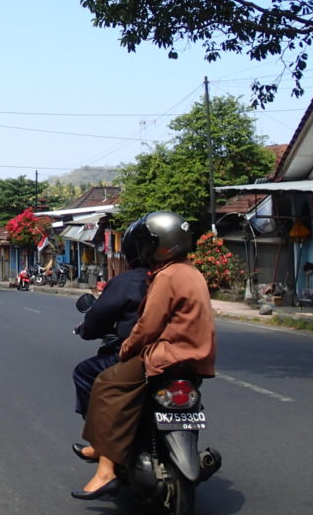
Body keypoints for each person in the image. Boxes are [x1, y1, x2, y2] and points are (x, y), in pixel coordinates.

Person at [71, 211, 216, 500]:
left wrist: (126, 349)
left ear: (162, 244)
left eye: (148, 243)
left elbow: (147, 326)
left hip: (166, 356)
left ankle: (105, 469)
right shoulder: (191, 272)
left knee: (106, 384)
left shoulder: (167, 276)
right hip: (195, 360)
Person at [70, 224, 149, 424]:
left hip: (142, 355)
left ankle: (99, 432)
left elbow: (99, 316)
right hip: (183, 358)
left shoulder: (128, 282)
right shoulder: (182, 277)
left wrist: (87, 330)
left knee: (84, 372)